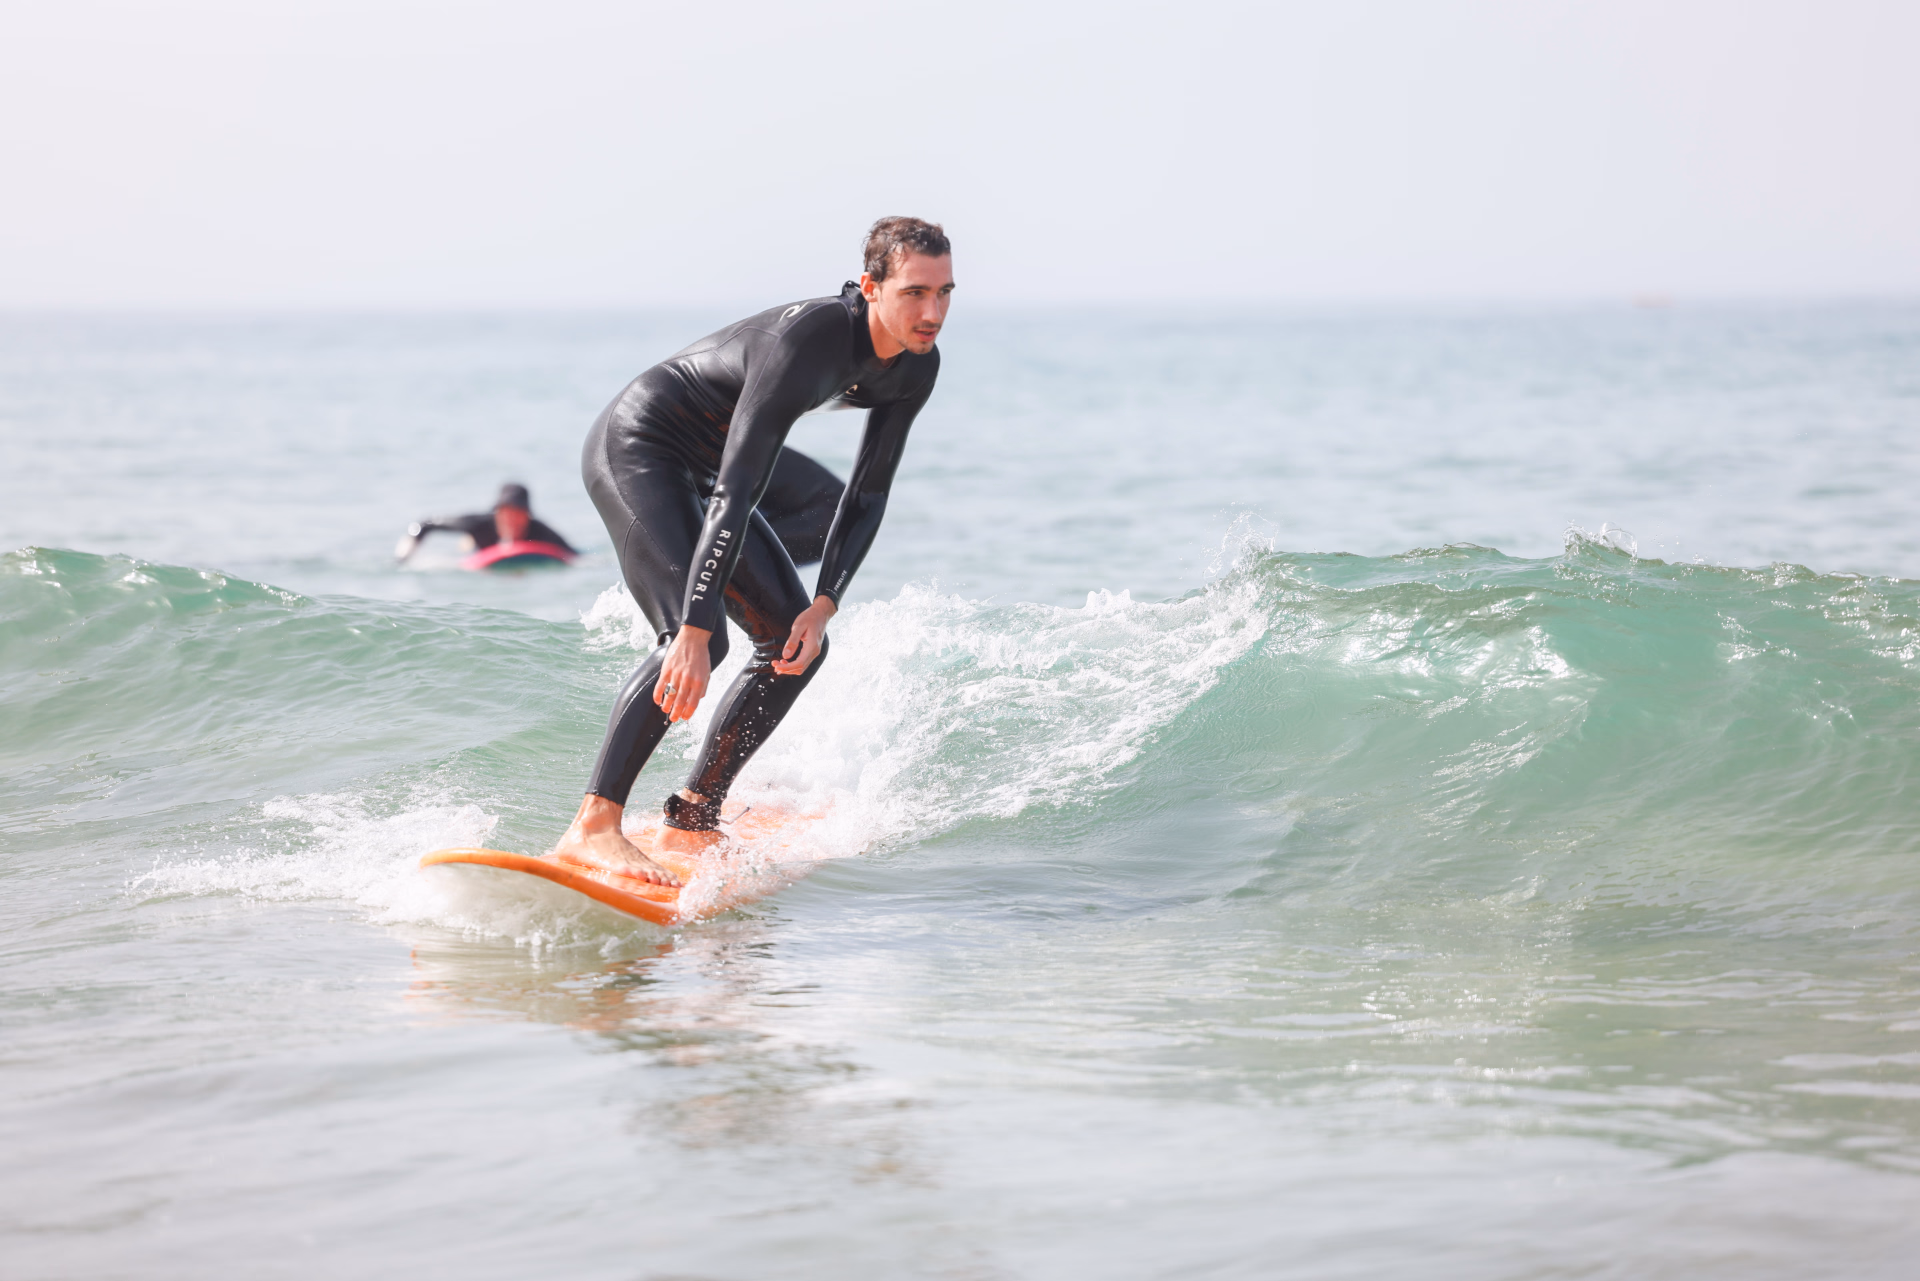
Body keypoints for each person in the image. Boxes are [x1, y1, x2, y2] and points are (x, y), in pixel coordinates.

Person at [553, 216, 954, 886]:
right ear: (871, 287)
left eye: (944, 293)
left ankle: (694, 813)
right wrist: (691, 625)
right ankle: (593, 825)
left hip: (709, 471)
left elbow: (866, 495)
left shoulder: (916, 368)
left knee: (796, 646)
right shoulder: (811, 340)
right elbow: (737, 494)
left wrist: (824, 602)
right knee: (697, 643)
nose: (932, 311)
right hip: (640, 447)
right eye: (915, 292)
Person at [394, 483, 577, 561]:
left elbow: (574, 555)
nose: (511, 521)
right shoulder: (479, 524)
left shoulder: (540, 531)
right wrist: (403, 556)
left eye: (518, 514)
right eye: (505, 514)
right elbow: (426, 525)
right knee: (467, 543)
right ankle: (469, 541)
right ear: (496, 513)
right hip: (481, 548)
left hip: (521, 553)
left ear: (527, 516)